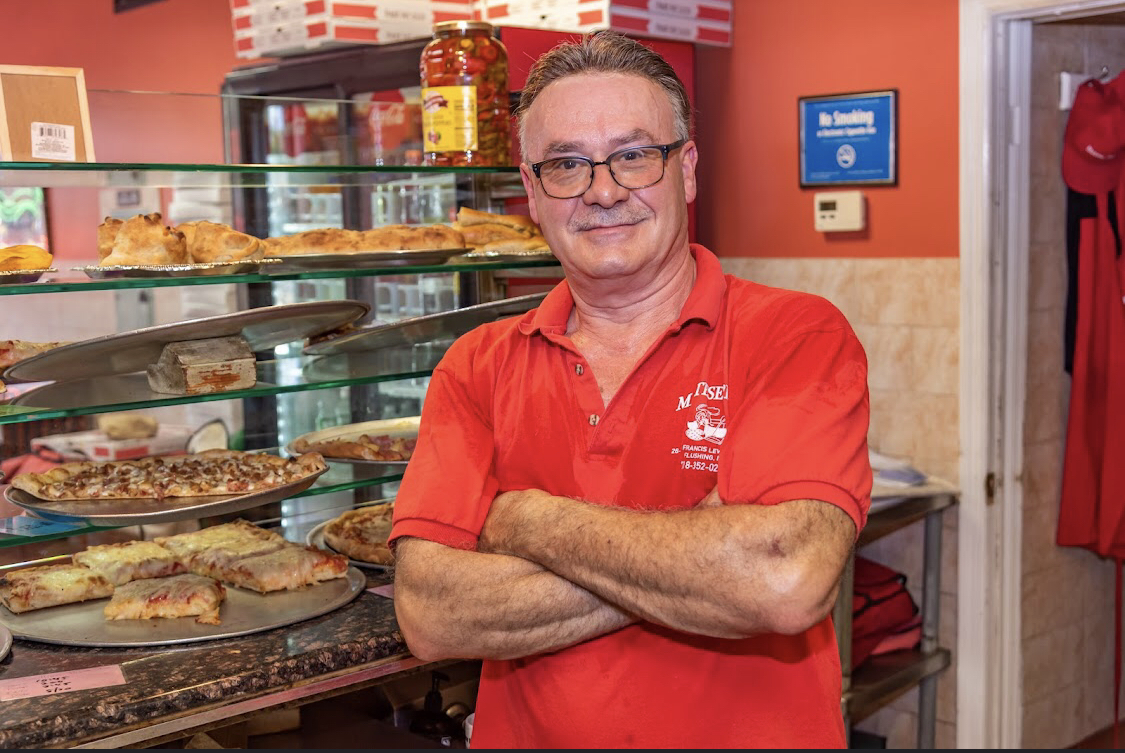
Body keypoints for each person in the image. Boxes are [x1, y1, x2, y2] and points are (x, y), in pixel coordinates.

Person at [390, 30, 872, 749]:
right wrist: (700, 556)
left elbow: (781, 578)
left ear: (685, 171)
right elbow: (431, 612)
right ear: (531, 191)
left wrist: (525, 521)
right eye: (565, 164)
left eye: (634, 155)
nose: (602, 190)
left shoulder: (795, 334)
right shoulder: (475, 365)